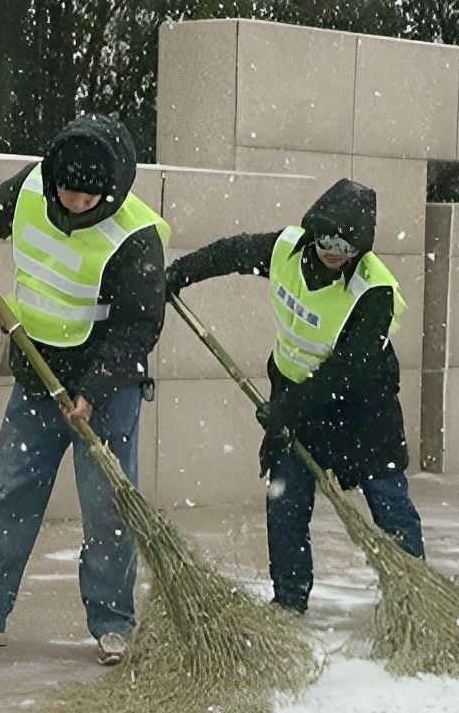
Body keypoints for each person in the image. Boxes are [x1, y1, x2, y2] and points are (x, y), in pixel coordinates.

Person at [0, 117, 166, 663]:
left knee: (106, 508)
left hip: (105, 385)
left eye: (88, 196)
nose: (75, 202)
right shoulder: (35, 185)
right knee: (10, 492)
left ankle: (112, 622)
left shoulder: (136, 235)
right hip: (36, 371)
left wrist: (95, 390)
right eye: (67, 191)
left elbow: (139, 326)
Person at [166, 179, 423, 614]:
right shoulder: (285, 249)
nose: (334, 251)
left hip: (363, 409)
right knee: (286, 498)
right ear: (311, 233)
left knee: (387, 499)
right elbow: (230, 253)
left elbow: (349, 372)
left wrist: (288, 409)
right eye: (326, 239)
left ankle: (415, 602)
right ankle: (288, 599)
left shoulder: (375, 291)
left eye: (347, 245)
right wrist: (178, 274)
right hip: (295, 395)